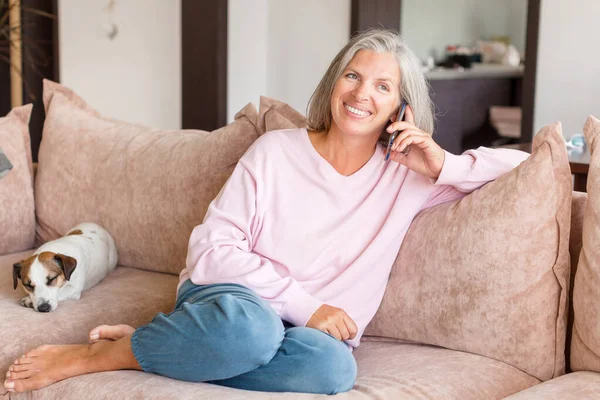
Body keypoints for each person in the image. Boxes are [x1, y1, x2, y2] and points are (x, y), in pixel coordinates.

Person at [3, 29, 529, 395]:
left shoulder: (410, 177)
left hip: (302, 335)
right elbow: (211, 252)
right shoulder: (277, 152)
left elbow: (528, 166)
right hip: (233, 298)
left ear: (402, 108)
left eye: (383, 87)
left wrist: (442, 163)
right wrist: (306, 304)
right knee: (252, 331)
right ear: (333, 83)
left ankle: (169, 344)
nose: (362, 93)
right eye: (352, 76)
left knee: (331, 369)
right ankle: (104, 355)